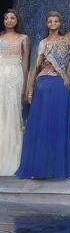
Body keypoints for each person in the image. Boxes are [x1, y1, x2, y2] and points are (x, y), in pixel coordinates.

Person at [16, 12, 70, 180]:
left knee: (58, 124)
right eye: (50, 21)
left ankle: (57, 165)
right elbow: (36, 66)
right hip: (43, 85)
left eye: (56, 21)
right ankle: (42, 166)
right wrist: (30, 88)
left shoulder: (67, 40)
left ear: (60, 23)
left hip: (59, 85)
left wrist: (68, 74)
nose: (53, 23)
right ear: (47, 24)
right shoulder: (43, 43)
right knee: (42, 125)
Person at [0, 10, 30, 176]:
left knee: (13, 114)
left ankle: (13, 156)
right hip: (0, 77)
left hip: (15, 77)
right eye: (6, 18)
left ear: (17, 20)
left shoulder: (23, 38)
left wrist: (26, 86)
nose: (9, 20)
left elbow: (25, 64)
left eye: (12, 18)